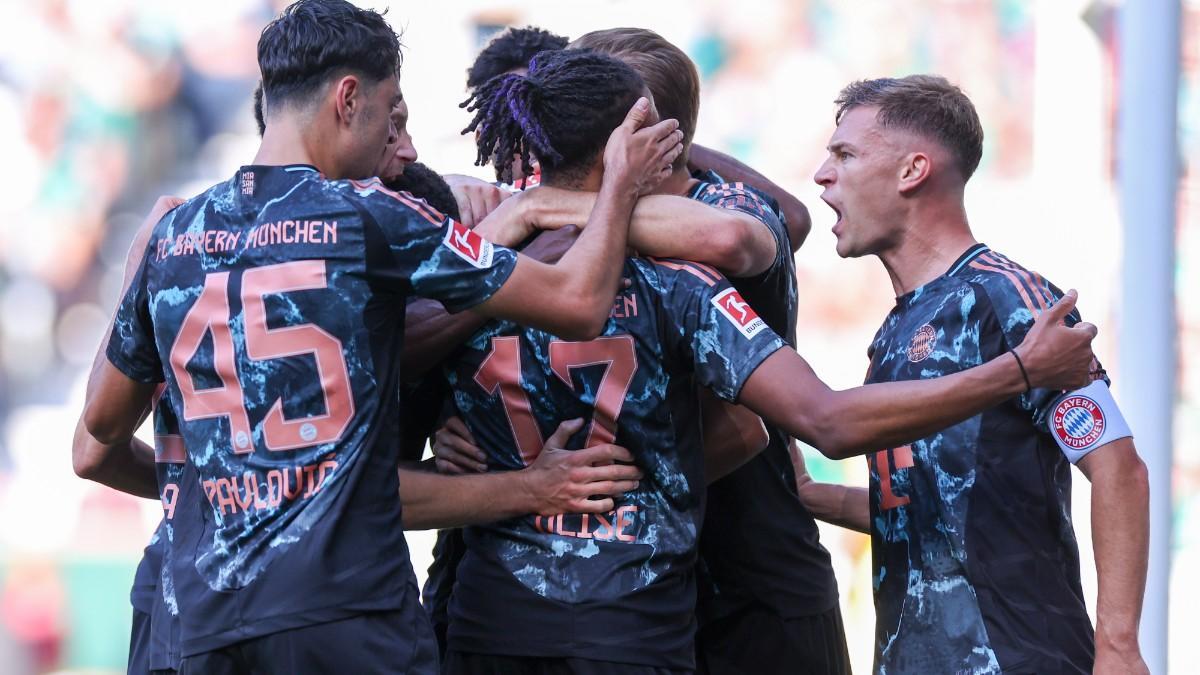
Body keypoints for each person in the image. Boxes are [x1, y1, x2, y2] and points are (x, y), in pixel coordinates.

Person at [432, 45, 1097, 673]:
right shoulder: (682, 281)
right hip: (629, 629)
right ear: (627, 152)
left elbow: (361, 437)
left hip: (489, 621)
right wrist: (1019, 369)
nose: (680, 162)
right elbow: (825, 420)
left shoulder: (463, 271)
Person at [79, 1, 682, 673]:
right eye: (392, 108)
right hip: (348, 615)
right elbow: (577, 301)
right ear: (348, 98)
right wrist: (620, 185)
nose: (406, 146)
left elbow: (98, 430)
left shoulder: (172, 234)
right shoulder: (366, 215)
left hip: (204, 620)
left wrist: (214, 487)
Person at [813, 74, 1150, 675]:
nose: (822, 174)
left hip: (1017, 658)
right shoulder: (894, 331)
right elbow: (933, 505)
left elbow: (1118, 467)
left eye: (845, 154)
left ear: (913, 170)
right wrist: (811, 496)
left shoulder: (1009, 300)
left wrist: (1119, 647)